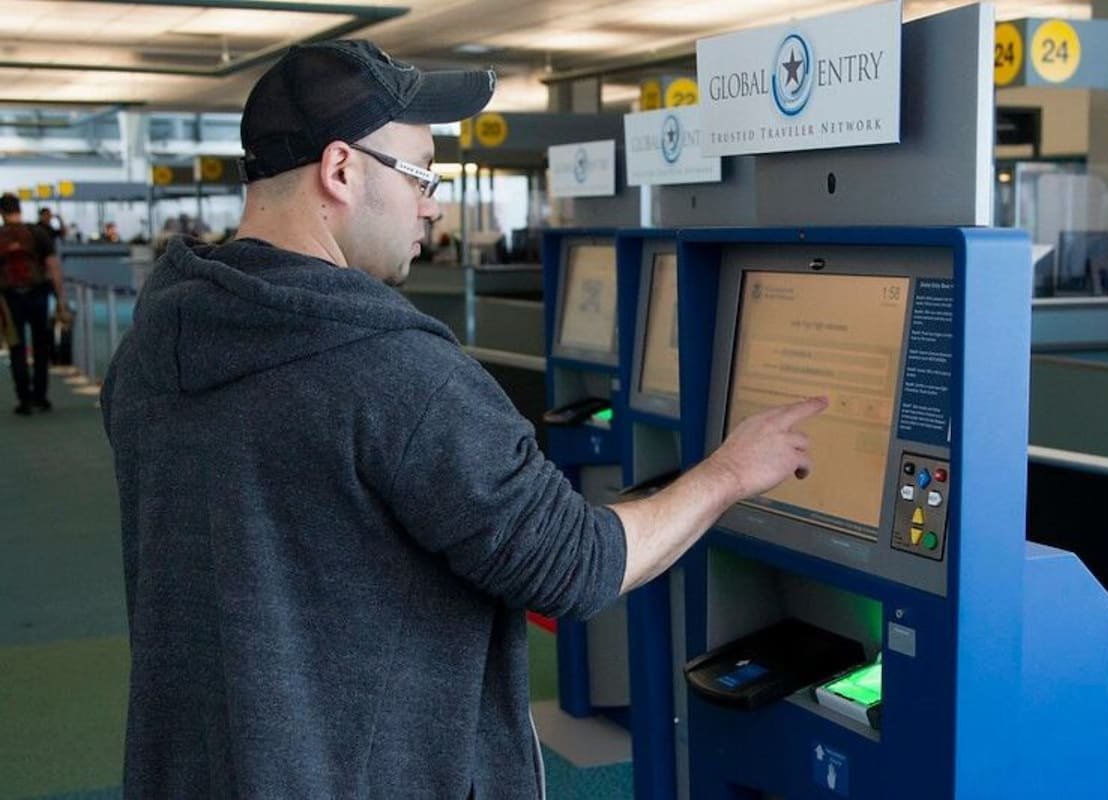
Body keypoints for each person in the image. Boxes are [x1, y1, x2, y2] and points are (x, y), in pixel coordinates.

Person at [100, 40, 826, 798]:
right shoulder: (392, 368)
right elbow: (576, 564)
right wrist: (731, 471)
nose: (434, 205)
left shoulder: (153, 345)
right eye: (420, 175)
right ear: (341, 170)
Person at [1, 193, 66, 415]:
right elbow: (53, 266)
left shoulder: (1, 235)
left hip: (11, 298)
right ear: (20, 209)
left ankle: (24, 399)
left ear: (2, 213)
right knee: (41, 346)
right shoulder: (37, 233)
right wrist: (60, 298)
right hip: (38, 295)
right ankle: (40, 396)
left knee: (16, 347)